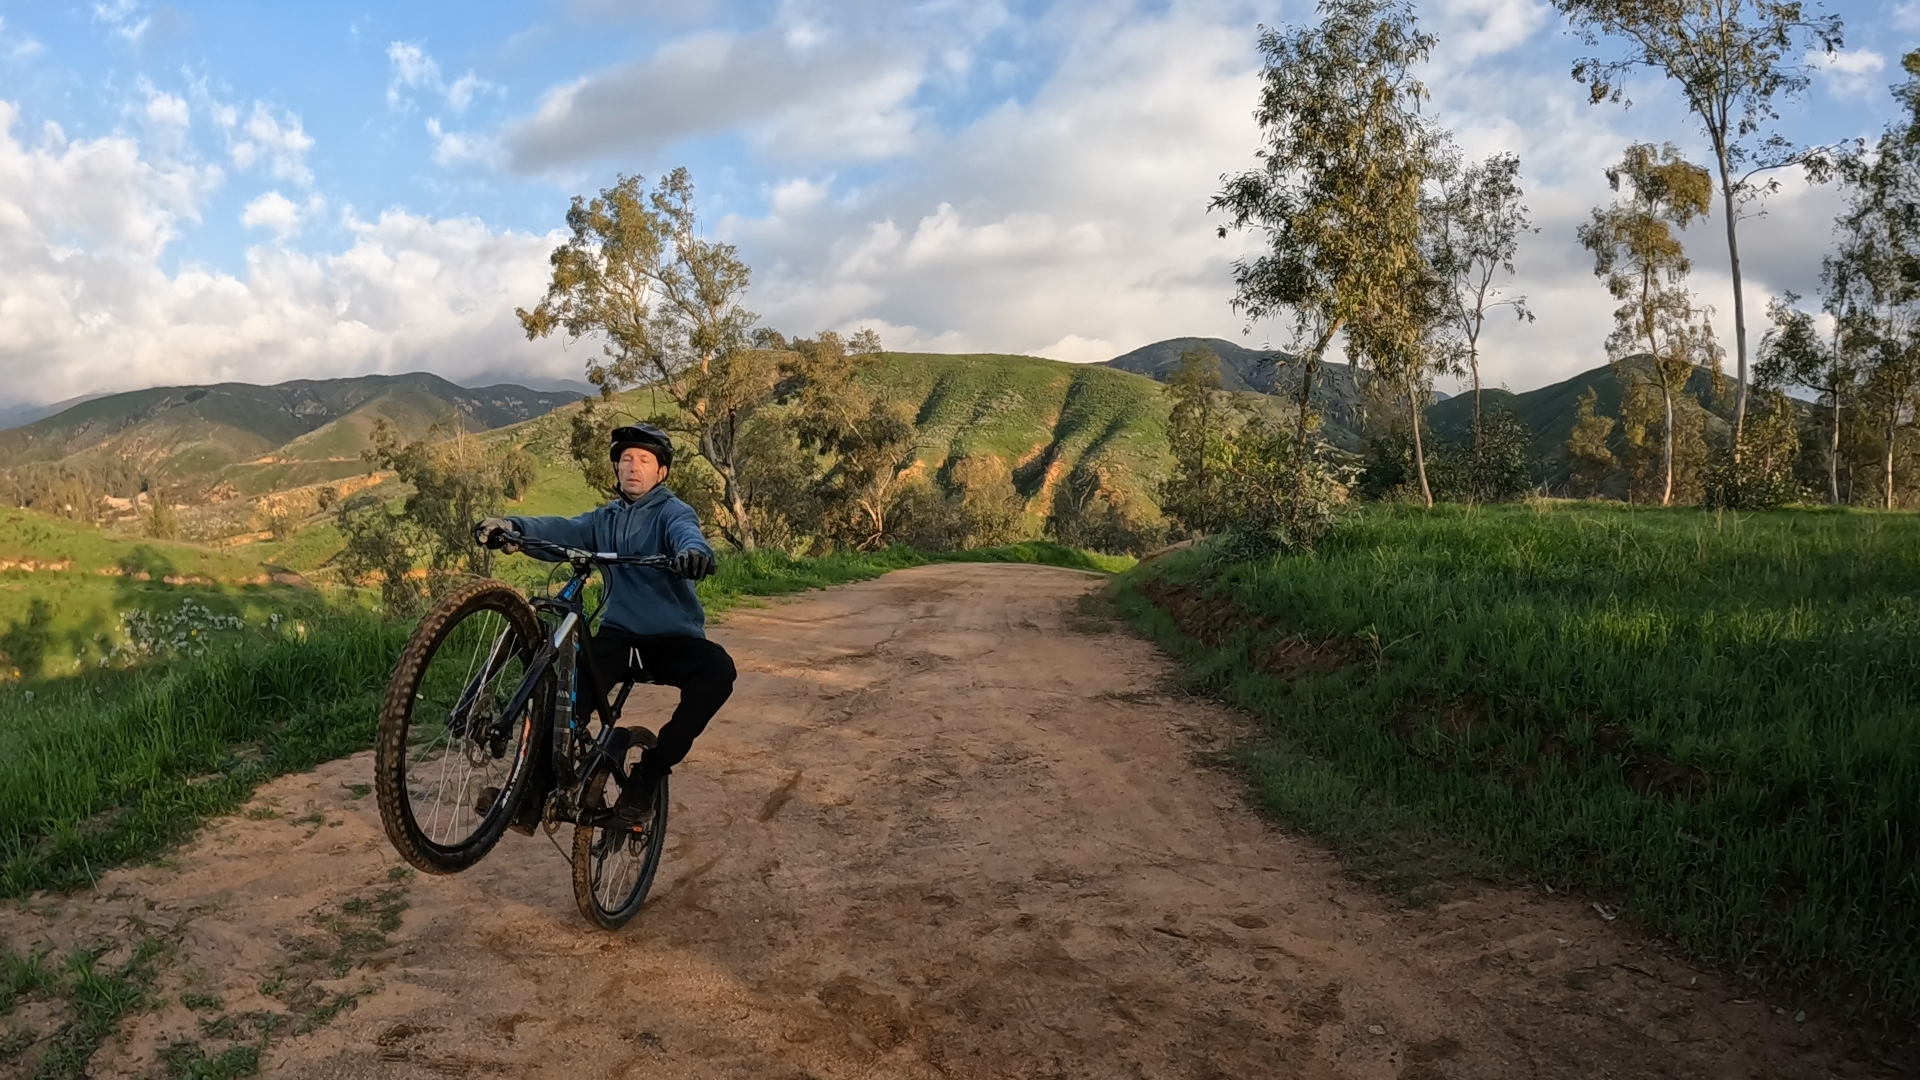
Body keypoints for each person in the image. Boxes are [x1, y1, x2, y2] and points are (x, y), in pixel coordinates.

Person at [473, 424, 733, 822]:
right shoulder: (604, 519)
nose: (633, 466)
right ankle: (529, 795)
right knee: (564, 702)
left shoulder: (673, 512)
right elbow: (563, 529)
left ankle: (649, 773)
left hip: (670, 639)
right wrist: (514, 529)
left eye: (644, 460)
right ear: (616, 468)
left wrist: (693, 554)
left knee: (718, 672)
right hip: (618, 638)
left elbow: (688, 535)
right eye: (626, 459)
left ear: (661, 472)